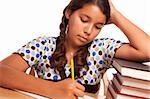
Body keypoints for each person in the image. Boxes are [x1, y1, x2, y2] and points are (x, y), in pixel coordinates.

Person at [0, 0, 150, 99]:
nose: (89, 30)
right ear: (69, 13)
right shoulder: (43, 46)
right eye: (84, 20)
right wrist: (51, 89)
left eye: (98, 26)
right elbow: (1, 70)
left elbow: (147, 51)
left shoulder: (101, 49)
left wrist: (116, 15)